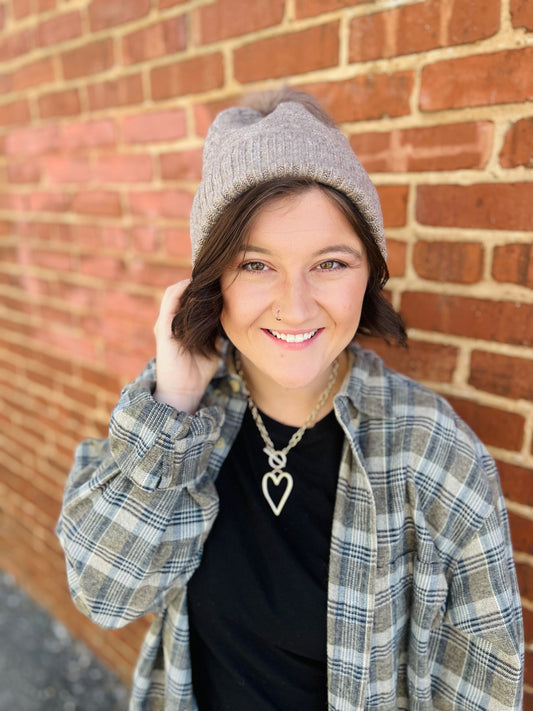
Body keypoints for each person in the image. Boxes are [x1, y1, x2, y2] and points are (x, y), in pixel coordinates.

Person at [57, 89, 524, 710]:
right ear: (211, 280)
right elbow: (104, 593)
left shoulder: (435, 454)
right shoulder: (176, 419)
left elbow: (481, 687)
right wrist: (173, 402)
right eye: (256, 266)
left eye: (330, 263)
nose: (296, 307)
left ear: (370, 276)